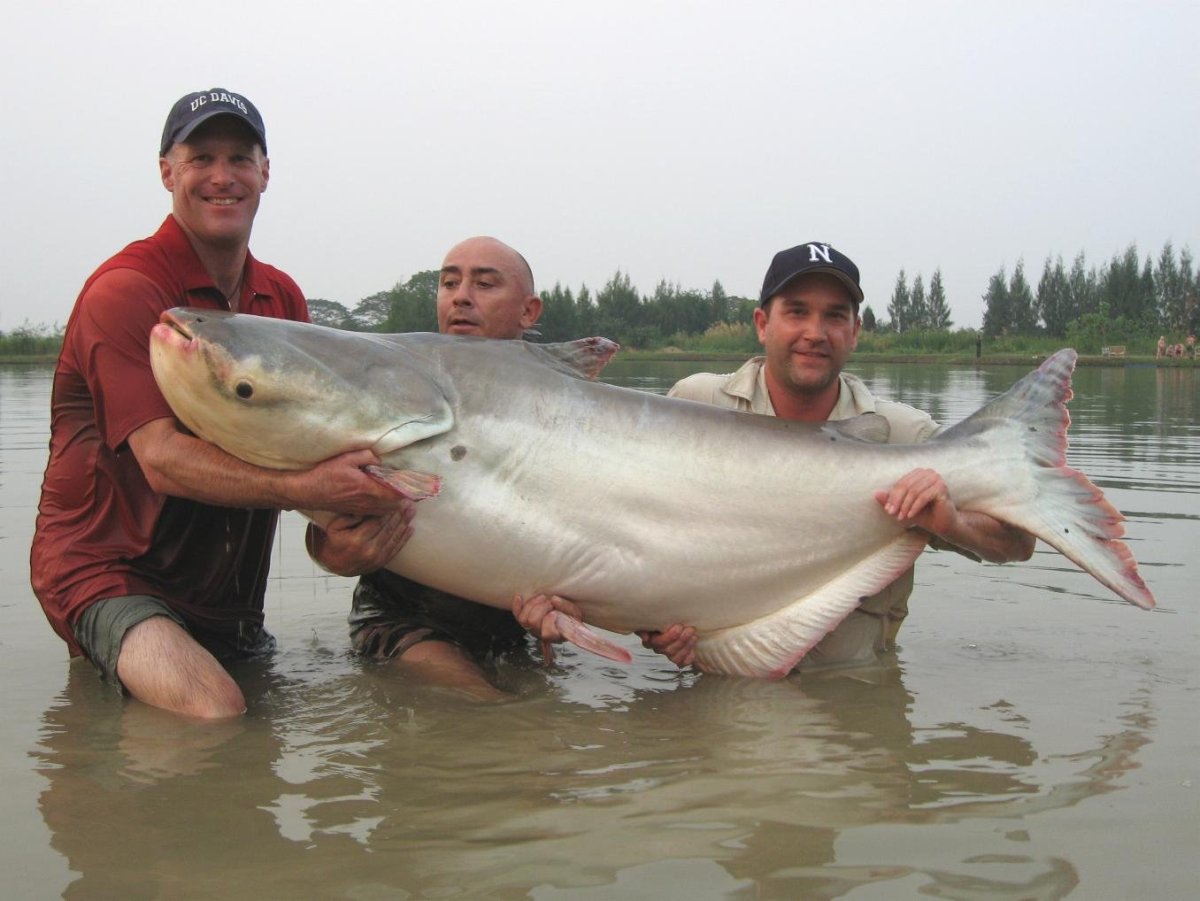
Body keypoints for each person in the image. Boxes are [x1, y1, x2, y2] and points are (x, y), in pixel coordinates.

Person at [31, 89, 412, 720]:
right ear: (166, 171)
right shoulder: (125, 292)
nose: (222, 176)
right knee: (214, 712)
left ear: (265, 173)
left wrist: (334, 544)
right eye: (200, 156)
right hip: (108, 571)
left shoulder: (281, 299)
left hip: (228, 602)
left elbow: (309, 460)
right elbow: (162, 461)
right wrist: (308, 488)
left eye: (240, 157)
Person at [644, 241, 1036, 671]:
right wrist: (649, 623)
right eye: (797, 311)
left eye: (835, 315)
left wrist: (952, 523)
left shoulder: (907, 437)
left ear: (855, 331)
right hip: (716, 689)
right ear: (762, 323)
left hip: (851, 697)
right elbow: (630, 539)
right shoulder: (694, 406)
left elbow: (1018, 541)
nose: (815, 332)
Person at [338, 236, 579, 701]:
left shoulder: (565, 411)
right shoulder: (392, 393)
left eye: (484, 284)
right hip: (403, 625)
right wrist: (329, 550)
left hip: (513, 633)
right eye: (449, 282)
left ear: (529, 311)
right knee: (490, 708)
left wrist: (570, 602)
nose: (461, 296)